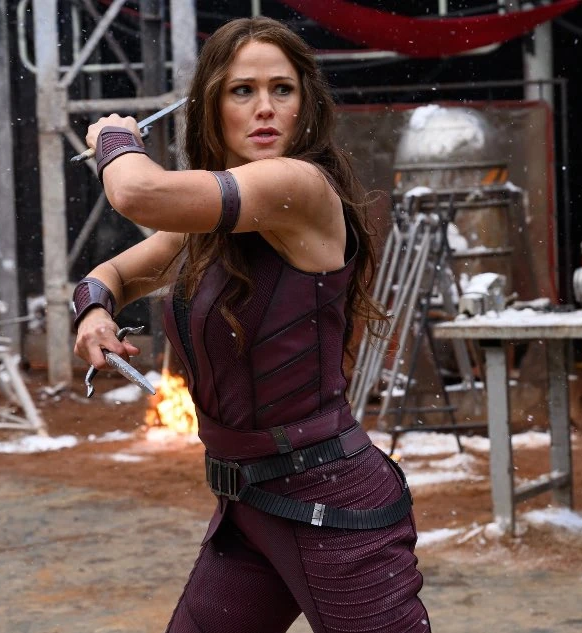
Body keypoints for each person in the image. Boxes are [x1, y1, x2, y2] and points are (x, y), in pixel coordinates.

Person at [72, 16, 431, 633]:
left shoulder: (298, 185)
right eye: (242, 90)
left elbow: (138, 194)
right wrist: (95, 310)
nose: (265, 107)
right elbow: (111, 274)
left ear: (305, 105)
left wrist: (113, 138)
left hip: (332, 504)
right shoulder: (211, 222)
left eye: (282, 89)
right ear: (212, 106)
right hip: (250, 506)